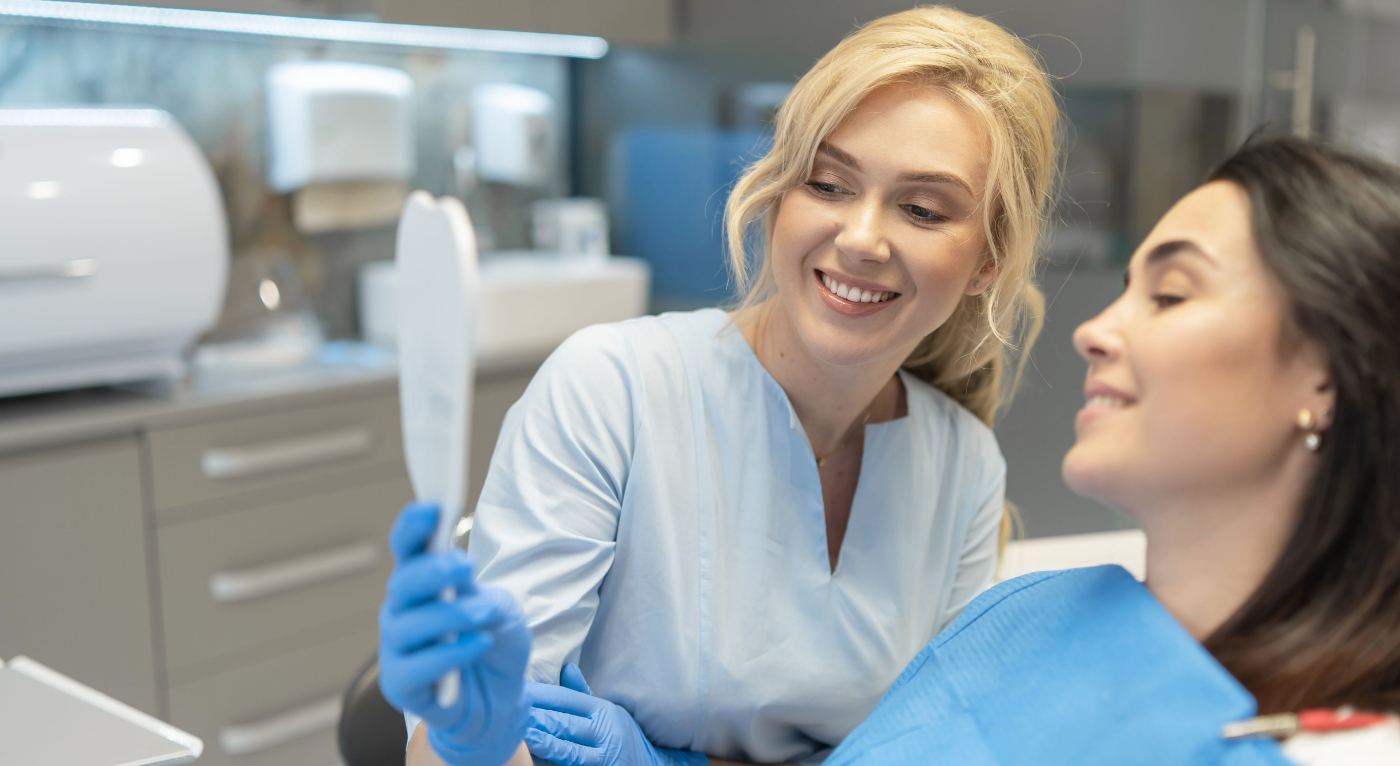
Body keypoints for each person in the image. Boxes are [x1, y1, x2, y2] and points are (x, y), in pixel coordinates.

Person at [383, 135, 1400, 765]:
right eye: (825, 183)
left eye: (1168, 293)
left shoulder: (1286, 740)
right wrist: (477, 745)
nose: (1099, 327)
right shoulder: (1034, 612)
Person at [378, 6, 1062, 766]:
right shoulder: (613, 391)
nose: (862, 238)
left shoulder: (963, 467)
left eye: (922, 209)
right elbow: (485, 737)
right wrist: (470, 741)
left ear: (988, 261)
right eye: (829, 184)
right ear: (779, 195)